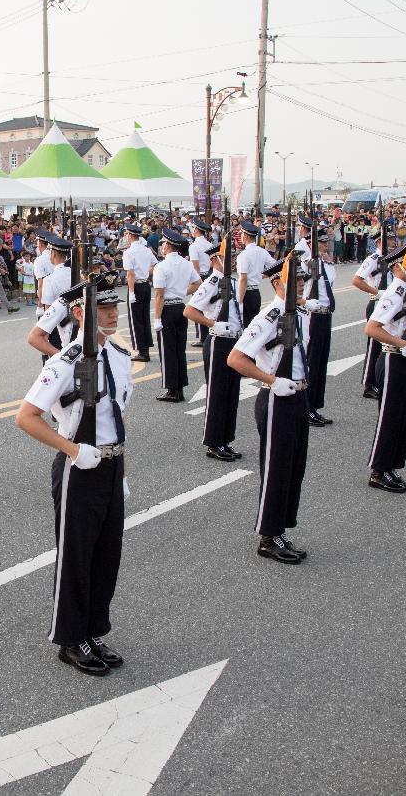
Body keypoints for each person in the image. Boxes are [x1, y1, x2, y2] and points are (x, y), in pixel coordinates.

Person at [14, 270, 132, 676]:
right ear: (80, 312)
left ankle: (94, 629)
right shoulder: (65, 361)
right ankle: (69, 638)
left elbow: (116, 419)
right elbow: (26, 417)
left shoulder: (117, 357)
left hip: (110, 464)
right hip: (78, 466)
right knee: (76, 556)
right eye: (103, 306)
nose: (112, 312)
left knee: (106, 554)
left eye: (114, 305)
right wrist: (72, 450)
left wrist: (122, 470)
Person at [227, 256, 311, 565]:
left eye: (303, 280)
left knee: (293, 467)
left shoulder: (297, 313)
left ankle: (280, 531)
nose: (303, 284)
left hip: (298, 396)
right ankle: (268, 536)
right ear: (278, 283)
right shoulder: (269, 316)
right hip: (277, 399)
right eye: (297, 280)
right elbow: (236, 358)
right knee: (276, 469)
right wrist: (271, 380)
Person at [363, 243, 406, 493]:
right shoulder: (394, 292)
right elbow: (372, 328)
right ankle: (378, 470)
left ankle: (391, 467)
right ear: (398, 266)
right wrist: (402, 343)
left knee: (404, 416)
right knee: (390, 417)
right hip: (393, 358)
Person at [184, 238, 245, 461]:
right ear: (215, 259)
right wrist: (212, 323)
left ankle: (226, 439)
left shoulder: (232, 281)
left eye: (235, 256)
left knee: (231, 393)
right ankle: (213, 442)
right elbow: (190, 311)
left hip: (233, 341)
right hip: (219, 340)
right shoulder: (211, 283)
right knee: (218, 393)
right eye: (230, 257)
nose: (234, 260)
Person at [151, 227, 201, 403]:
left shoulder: (161, 266)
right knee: (180, 350)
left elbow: (159, 295)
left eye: (163, 243)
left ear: (167, 246)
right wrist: (182, 292)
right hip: (181, 307)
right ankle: (179, 388)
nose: (161, 246)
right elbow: (198, 283)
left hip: (167, 310)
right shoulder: (186, 264)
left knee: (168, 351)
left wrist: (157, 318)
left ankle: (172, 389)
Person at [296, 226, 336, 427]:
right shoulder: (306, 265)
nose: (324, 245)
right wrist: (304, 303)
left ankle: (315, 405)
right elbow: (293, 290)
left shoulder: (327, 263)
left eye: (325, 242)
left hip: (325, 315)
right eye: (320, 242)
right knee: (311, 362)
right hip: (313, 315)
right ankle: (306, 407)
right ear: (311, 243)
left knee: (321, 362)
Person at [351, 228, 388, 399]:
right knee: (374, 346)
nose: (394, 241)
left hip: (389, 304)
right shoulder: (373, 259)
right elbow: (357, 280)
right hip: (377, 302)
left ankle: (381, 380)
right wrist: (376, 292)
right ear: (379, 241)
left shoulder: (392, 257)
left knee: (386, 345)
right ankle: (369, 384)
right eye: (390, 238)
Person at [121, 223, 156, 361]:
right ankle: (145, 349)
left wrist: (131, 292)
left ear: (130, 235)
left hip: (135, 286)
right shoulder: (146, 250)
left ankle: (142, 351)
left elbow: (130, 275)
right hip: (145, 285)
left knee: (136, 320)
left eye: (126, 234)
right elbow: (155, 264)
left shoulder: (128, 252)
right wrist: (146, 274)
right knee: (145, 318)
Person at [37, 233, 75, 354]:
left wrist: (45, 337)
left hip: (61, 324)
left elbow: (49, 311)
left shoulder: (50, 279)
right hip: (77, 320)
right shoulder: (75, 273)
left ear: (53, 253)